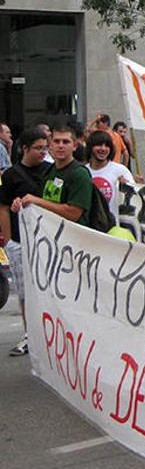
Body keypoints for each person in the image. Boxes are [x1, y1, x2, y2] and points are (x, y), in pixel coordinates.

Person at [0, 127, 51, 356]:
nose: (43, 152)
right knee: (24, 292)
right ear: (25, 148)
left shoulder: (52, 171)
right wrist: (9, 240)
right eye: (39, 148)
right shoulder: (10, 176)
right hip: (21, 241)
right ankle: (29, 333)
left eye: (45, 148)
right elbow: (3, 208)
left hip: (48, 241)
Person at [15, 125, 94, 226]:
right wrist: (22, 203)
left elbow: (74, 213)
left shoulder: (80, 174)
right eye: (56, 141)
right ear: (50, 145)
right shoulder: (49, 170)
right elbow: (41, 200)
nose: (60, 146)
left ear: (75, 146)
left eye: (66, 142)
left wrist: (37, 201)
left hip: (72, 238)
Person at [85, 130, 135, 218]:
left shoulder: (120, 170)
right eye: (99, 145)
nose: (103, 149)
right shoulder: (84, 171)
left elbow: (134, 199)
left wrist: (126, 186)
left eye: (107, 146)